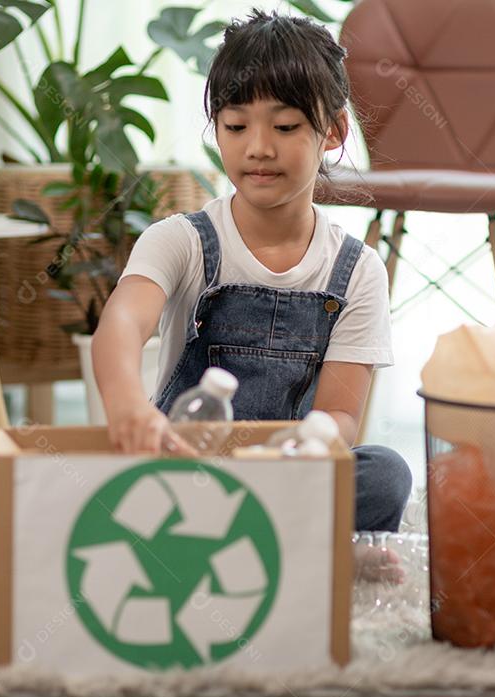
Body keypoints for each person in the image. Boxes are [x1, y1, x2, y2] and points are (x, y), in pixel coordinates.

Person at [93, 9, 411, 532]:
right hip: (183, 473)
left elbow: (341, 417)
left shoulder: (357, 270)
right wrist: (128, 405)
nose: (258, 148)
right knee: (92, 484)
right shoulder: (182, 239)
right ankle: (294, 547)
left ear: (333, 131)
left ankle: (275, 539)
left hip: (287, 484)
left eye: (285, 126)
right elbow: (122, 324)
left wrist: (307, 449)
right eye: (236, 126)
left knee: (384, 475)